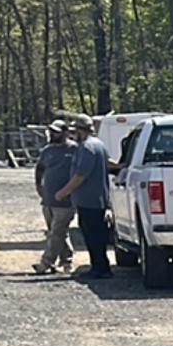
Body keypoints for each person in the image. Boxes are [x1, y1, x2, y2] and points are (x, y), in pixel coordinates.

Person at [52, 114, 114, 280]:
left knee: (93, 236)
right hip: (96, 199)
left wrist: (63, 192)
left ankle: (100, 269)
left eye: (75, 130)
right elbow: (110, 163)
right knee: (97, 234)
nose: (73, 134)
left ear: (82, 130)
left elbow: (80, 176)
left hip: (89, 201)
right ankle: (100, 267)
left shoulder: (87, 148)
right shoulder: (99, 145)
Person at [31, 121, 78, 274]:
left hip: (66, 200)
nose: (52, 134)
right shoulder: (47, 151)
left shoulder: (75, 149)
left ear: (65, 133)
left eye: (56, 132)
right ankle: (66, 261)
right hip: (48, 199)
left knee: (56, 232)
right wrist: (39, 185)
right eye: (51, 131)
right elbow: (40, 168)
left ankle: (45, 263)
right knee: (58, 232)